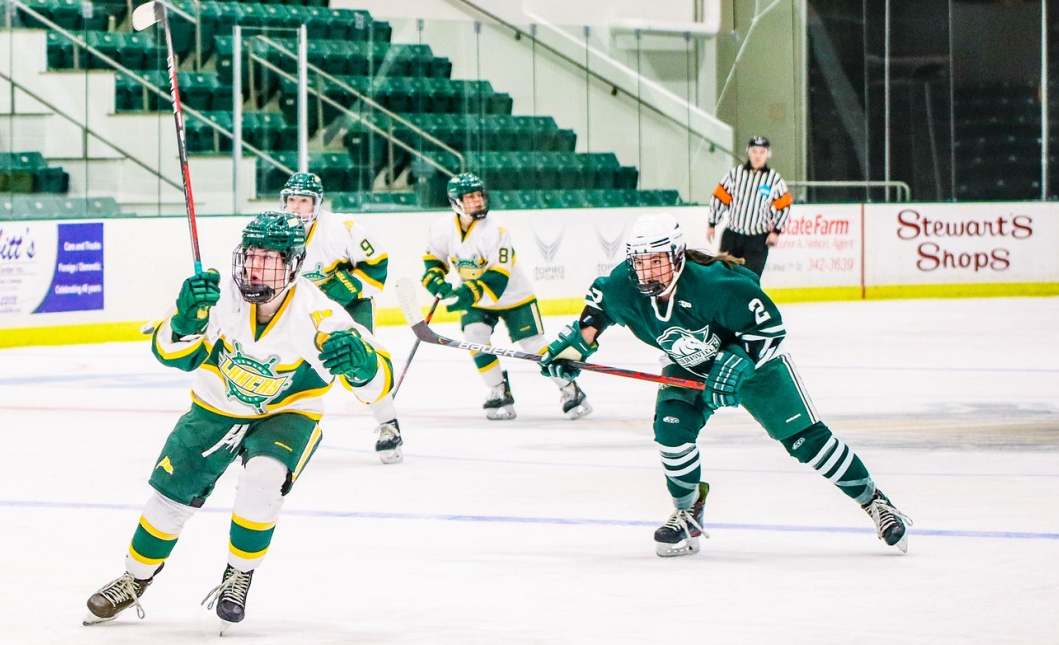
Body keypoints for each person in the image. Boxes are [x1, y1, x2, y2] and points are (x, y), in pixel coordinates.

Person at [84, 211, 394, 634]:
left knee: (264, 478)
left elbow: (377, 386)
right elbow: (171, 354)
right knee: (170, 497)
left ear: (293, 264)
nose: (254, 267)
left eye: (267, 259)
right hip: (216, 406)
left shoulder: (316, 313)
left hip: (287, 411)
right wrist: (184, 323)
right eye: (250, 256)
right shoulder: (218, 297)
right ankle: (134, 578)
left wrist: (363, 366)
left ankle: (238, 575)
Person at [539, 213, 908, 557]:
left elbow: (769, 328)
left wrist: (738, 362)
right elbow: (596, 314)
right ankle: (688, 515)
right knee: (671, 431)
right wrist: (572, 351)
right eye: (640, 262)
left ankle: (875, 502)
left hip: (755, 366)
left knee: (806, 442)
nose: (647, 272)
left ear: (677, 256)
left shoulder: (716, 285)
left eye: (657, 261)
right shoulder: (624, 285)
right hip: (687, 367)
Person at [421, 172, 590, 421]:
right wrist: (435, 279)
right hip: (478, 299)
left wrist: (467, 292)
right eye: (470, 197)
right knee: (474, 337)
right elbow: (433, 259)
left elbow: (499, 277)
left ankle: (570, 389)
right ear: (455, 202)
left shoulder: (496, 229)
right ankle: (498, 390)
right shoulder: (441, 228)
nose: (477, 201)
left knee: (534, 345)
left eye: (479, 195)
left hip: (514, 297)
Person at [278, 171, 404, 464]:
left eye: (304, 201)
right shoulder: (275, 231)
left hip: (349, 307)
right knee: (282, 366)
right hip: (301, 311)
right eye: (292, 200)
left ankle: (389, 424)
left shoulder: (341, 228)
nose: (296, 207)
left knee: (359, 363)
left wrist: (348, 285)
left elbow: (377, 265)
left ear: (317, 203)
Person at [707, 135, 792, 276]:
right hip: (733, 236)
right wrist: (712, 223)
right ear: (748, 152)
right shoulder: (735, 174)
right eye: (754, 151)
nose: (757, 156)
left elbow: (784, 207)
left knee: (750, 278)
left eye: (762, 152)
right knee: (723, 275)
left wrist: (776, 232)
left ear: (768, 154)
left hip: (757, 239)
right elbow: (719, 198)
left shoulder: (774, 180)